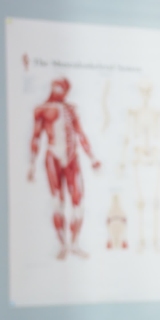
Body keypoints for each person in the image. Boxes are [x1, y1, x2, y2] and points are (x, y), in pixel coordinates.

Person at [29, 77, 101, 260]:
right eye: (56, 88)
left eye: (62, 89)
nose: (58, 92)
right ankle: (63, 245)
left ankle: (75, 244)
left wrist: (92, 158)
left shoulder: (71, 109)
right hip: (53, 157)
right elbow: (36, 137)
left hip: (71, 159)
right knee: (57, 202)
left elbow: (80, 133)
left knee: (78, 201)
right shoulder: (42, 110)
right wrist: (31, 165)